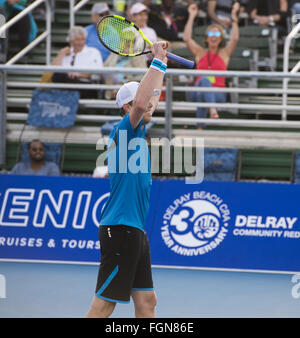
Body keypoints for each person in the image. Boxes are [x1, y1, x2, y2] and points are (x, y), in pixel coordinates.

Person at [85, 40, 168, 318]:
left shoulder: (139, 136)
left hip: (135, 231)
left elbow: (150, 97)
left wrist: (162, 62)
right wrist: (155, 61)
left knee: (147, 301)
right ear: (128, 107)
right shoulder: (124, 132)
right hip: (120, 231)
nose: (151, 104)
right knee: (104, 304)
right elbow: (145, 100)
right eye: (142, 101)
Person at [183, 2, 239, 128]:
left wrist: (234, 17)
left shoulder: (225, 53)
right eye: (211, 34)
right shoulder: (200, 52)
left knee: (204, 91)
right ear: (207, 38)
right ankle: (213, 110)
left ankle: (200, 128)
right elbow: (187, 38)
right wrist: (192, 16)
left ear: (221, 38)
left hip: (218, 93)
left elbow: (235, 38)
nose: (214, 36)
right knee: (203, 82)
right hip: (197, 91)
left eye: (217, 34)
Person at [50, 26, 104, 98]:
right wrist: (61, 54)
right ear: (71, 42)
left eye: (82, 39)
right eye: (77, 40)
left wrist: (77, 75)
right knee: (57, 76)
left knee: (61, 77)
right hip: (66, 85)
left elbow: (98, 74)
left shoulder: (93, 52)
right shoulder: (65, 52)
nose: (81, 42)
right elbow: (52, 71)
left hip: (85, 85)